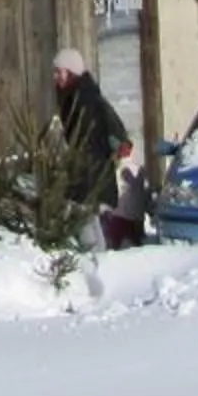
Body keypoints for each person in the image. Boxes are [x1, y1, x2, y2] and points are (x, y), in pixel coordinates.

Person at [50, 48, 141, 248]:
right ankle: (98, 263)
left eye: (59, 72)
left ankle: (96, 266)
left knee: (85, 221)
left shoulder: (84, 99)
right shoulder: (74, 96)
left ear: (71, 72)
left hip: (90, 171)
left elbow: (91, 138)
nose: (55, 76)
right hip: (85, 171)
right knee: (88, 223)